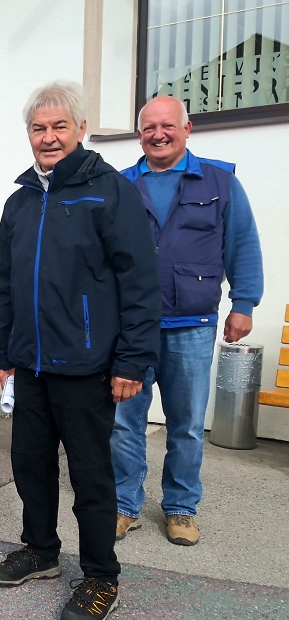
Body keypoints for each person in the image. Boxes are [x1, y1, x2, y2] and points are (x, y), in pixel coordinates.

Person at [0, 82, 160, 620]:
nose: (49, 137)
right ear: (29, 135)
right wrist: (4, 347)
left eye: (60, 126)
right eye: (39, 128)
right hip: (31, 366)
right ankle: (39, 551)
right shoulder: (20, 201)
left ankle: (101, 575)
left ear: (80, 130)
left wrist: (132, 361)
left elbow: (139, 283)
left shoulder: (109, 192)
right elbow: (7, 283)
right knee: (29, 466)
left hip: (87, 367)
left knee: (90, 477)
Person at [112, 96, 263, 547]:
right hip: (131, 328)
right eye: (148, 127)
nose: (157, 134)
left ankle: (180, 507)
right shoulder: (120, 185)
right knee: (124, 422)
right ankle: (123, 505)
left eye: (167, 126)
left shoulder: (220, 181)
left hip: (192, 326)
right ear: (139, 134)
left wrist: (245, 304)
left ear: (187, 128)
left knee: (187, 424)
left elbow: (242, 244)